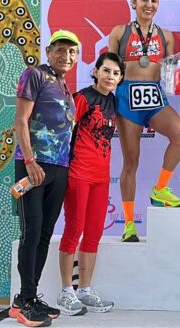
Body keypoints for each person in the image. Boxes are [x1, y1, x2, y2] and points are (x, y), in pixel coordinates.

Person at [108, 0, 180, 242]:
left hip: (154, 95)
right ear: (133, 2)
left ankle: (160, 189)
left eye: (154, 0)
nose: (149, 4)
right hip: (127, 98)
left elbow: (172, 70)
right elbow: (109, 68)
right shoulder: (119, 32)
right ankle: (129, 224)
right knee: (131, 163)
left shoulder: (166, 36)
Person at [10, 30, 79, 327]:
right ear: (49, 51)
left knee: (44, 235)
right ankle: (24, 303)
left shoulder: (63, 85)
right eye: (61, 50)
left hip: (58, 168)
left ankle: (29, 296)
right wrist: (29, 161)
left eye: (72, 52)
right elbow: (20, 121)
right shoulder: (34, 75)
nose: (66, 56)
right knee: (31, 232)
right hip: (33, 166)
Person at [56, 52, 122, 315]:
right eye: (106, 71)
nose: (110, 77)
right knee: (74, 230)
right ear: (95, 71)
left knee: (94, 233)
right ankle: (65, 292)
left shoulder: (114, 101)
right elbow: (64, 131)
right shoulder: (83, 98)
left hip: (101, 177)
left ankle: (84, 290)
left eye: (116, 73)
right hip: (78, 174)